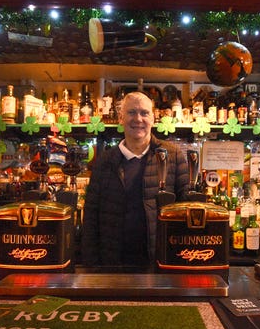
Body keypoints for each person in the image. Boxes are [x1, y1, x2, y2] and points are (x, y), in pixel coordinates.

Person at [81, 91, 189, 268]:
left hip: (160, 264)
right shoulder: (105, 162)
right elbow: (91, 218)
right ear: (121, 118)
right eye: (131, 112)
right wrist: (92, 266)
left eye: (144, 113)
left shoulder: (173, 156)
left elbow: (186, 211)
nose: (138, 119)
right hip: (112, 265)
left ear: (153, 118)